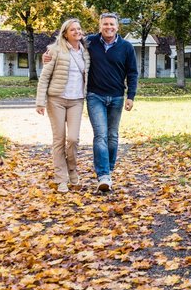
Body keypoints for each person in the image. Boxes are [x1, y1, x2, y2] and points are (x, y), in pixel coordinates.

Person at [44, 12, 138, 193]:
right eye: (105, 24)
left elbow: (132, 73)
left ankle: (108, 170)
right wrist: (46, 56)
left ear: (117, 27)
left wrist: (131, 96)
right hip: (95, 96)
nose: (108, 27)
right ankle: (103, 176)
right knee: (101, 135)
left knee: (113, 137)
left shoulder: (126, 47)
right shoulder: (90, 42)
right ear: (100, 26)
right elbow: (65, 44)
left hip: (117, 97)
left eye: (112, 24)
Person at [36, 18, 90, 193]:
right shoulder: (55, 50)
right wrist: (40, 101)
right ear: (65, 33)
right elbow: (44, 77)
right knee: (59, 139)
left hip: (77, 100)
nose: (76, 32)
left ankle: (72, 170)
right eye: (72, 29)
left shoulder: (86, 52)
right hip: (56, 100)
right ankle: (61, 178)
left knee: (73, 139)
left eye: (79, 29)